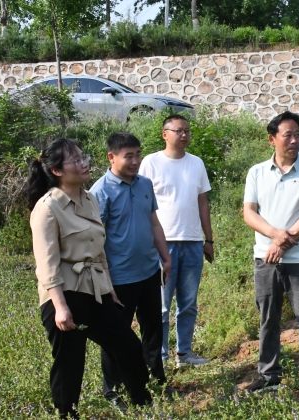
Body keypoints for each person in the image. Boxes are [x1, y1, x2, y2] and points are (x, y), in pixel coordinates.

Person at [26, 138, 152, 419]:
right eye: (76, 161)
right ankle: (67, 414)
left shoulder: (89, 198)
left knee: (128, 345)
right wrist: (60, 307)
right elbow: (46, 265)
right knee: (70, 361)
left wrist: (109, 288)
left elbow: (99, 250)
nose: (84, 164)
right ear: (57, 171)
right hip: (65, 294)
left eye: (84, 157)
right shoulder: (47, 207)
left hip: (95, 289)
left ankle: (143, 404)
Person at [243, 111, 299, 393]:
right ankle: (269, 375)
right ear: (272, 139)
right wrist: (273, 235)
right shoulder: (257, 172)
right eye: (287, 135)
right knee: (268, 319)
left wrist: (280, 243)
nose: (294, 140)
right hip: (265, 259)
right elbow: (249, 213)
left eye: (297, 134)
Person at [90, 132, 173, 404]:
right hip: (118, 279)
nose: (136, 161)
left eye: (138, 154)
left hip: (148, 271)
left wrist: (165, 257)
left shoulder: (145, 183)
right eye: (129, 156)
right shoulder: (100, 191)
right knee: (117, 336)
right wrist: (105, 279)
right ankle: (113, 389)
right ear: (111, 157)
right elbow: (96, 239)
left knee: (153, 330)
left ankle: (155, 380)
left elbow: (154, 222)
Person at [139, 114, 214, 367]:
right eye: (178, 131)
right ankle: (159, 357)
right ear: (165, 134)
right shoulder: (151, 163)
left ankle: (185, 354)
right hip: (162, 243)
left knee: (188, 303)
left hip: (192, 241)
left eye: (187, 131)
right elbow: (143, 202)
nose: (184, 135)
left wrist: (209, 239)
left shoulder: (196, 163)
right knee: (161, 305)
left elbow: (202, 203)